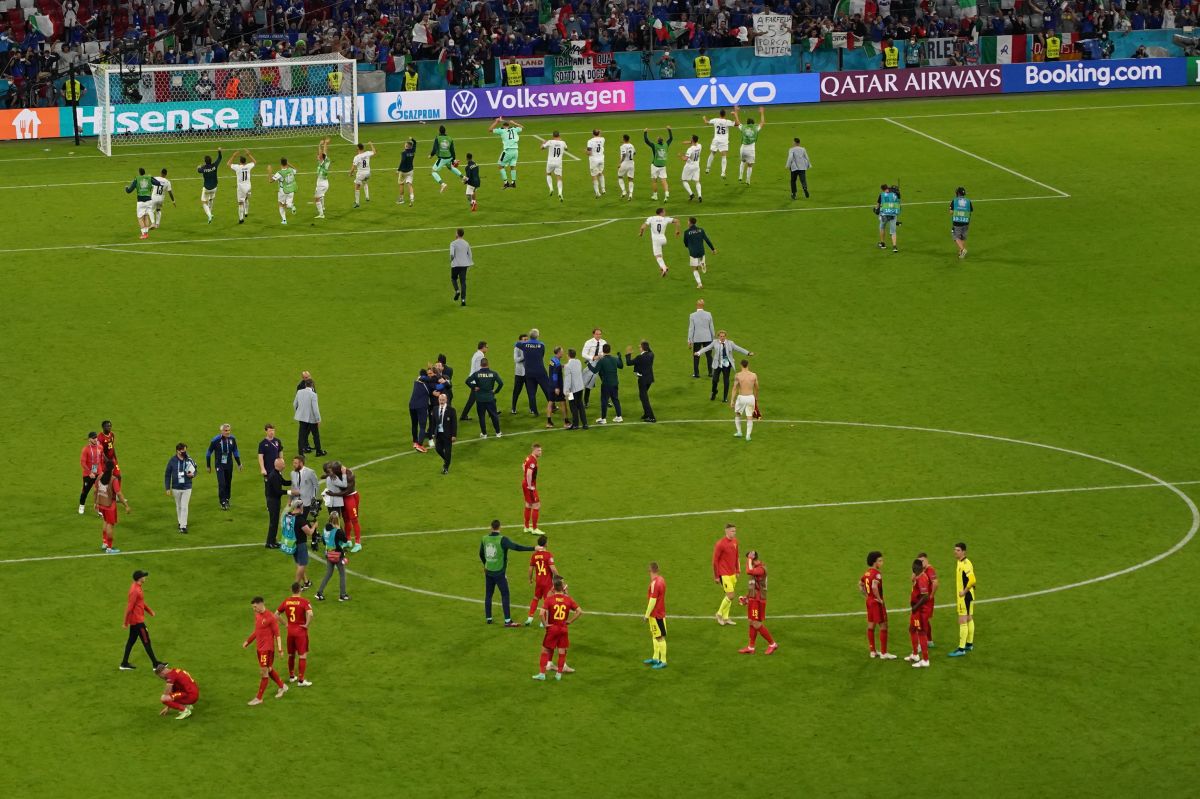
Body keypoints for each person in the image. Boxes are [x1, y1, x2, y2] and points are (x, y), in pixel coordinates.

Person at [480, 519, 535, 625]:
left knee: (488, 595)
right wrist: (533, 548)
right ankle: (507, 620)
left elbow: (481, 554)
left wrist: (486, 564)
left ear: (491, 527)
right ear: (500, 527)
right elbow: (517, 547)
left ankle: (488, 618)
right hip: (499, 572)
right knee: (505, 594)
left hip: (489, 571)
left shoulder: (484, 539)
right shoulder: (503, 540)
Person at [533, 576, 582, 681]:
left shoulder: (549, 599)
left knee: (545, 650)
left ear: (553, 588)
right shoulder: (568, 599)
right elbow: (580, 611)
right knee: (562, 652)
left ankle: (542, 674)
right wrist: (570, 621)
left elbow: (541, 614)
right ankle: (558, 675)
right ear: (563, 588)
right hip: (563, 628)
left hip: (552, 629)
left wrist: (545, 624)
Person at [242, 596, 287, 705]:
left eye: (255, 606)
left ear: (261, 604)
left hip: (267, 649)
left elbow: (278, 635)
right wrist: (248, 641)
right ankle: (282, 686)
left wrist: (280, 649)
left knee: (264, 672)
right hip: (260, 648)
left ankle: (259, 698)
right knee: (268, 669)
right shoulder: (257, 615)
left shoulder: (271, 617)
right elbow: (257, 631)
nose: (254, 609)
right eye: (253, 607)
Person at [121, 570, 165, 670]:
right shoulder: (135, 591)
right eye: (144, 576)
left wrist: (149, 611)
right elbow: (129, 607)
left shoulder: (138, 587)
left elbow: (140, 602)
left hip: (136, 620)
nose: (145, 577)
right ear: (139, 578)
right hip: (138, 622)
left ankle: (124, 663)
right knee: (146, 641)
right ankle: (155, 664)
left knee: (131, 641)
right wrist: (125, 622)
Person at [738, 550, 778, 654]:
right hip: (753, 599)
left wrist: (749, 560)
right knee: (751, 621)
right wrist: (746, 598)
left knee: (756, 623)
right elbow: (752, 586)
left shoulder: (761, 569)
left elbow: (748, 571)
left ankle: (772, 644)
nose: (748, 563)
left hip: (758, 601)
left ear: (754, 560)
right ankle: (751, 647)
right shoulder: (755, 568)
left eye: (750, 561)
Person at [696, 331, 753, 403]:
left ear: (726, 336)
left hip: (726, 365)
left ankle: (725, 398)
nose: (722, 338)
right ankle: (714, 392)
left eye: (723, 336)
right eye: (721, 336)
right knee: (714, 380)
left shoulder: (730, 343)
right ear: (718, 337)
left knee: (726, 381)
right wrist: (698, 352)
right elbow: (707, 348)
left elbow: (739, 348)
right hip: (717, 364)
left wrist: (748, 353)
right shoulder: (715, 342)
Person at [860, 551, 898, 660]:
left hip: (869, 601)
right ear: (874, 562)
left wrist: (866, 595)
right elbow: (874, 586)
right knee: (884, 625)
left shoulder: (867, 573)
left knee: (871, 625)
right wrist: (879, 599)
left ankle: (872, 651)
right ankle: (884, 653)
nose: (882, 562)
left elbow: (860, 584)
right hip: (876, 602)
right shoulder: (877, 574)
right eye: (880, 561)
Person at [276, 582, 314, 686]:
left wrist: (285, 624)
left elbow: (276, 614)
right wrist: (306, 624)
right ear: (300, 590)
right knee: (302, 655)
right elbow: (310, 614)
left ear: (291, 590)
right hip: (300, 631)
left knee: (291, 654)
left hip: (290, 631)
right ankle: (301, 680)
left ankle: (292, 676)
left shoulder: (286, 601)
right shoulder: (304, 601)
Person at [315, 510, 351, 602]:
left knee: (328, 574)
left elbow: (323, 541)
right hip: (337, 555)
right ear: (337, 520)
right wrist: (340, 528)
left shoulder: (325, 529)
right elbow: (345, 540)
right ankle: (342, 595)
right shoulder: (338, 531)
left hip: (328, 554)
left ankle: (319, 593)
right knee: (342, 574)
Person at [516, 329, 553, 416]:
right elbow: (542, 355)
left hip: (529, 372)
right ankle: (552, 406)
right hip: (540, 371)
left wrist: (525, 342)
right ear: (537, 336)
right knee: (547, 389)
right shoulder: (541, 345)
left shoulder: (524, 344)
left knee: (531, 392)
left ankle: (534, 411)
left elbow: (516, 344)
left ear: (530, 336)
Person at [95, 459, 128, 554]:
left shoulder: (100, 476)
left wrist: (95, 503)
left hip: (101, 504)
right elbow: (119, 494)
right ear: (113, 469)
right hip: (110, 506)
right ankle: (109, 548)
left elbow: (96, 490)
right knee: (110, 525)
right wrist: (126, 506)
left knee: (105, 521)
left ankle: (104, 543)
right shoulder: (113, 479)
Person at [204, 424, 242, 510]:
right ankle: (222, 502)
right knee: (222, 483)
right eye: (226, 430)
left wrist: (239, 463)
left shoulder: (232, 439)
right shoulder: (215, 440)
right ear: (221, 431)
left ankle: (227, 499)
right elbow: (208, 453)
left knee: (228, 483)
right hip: (219, 465)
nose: (228, 432)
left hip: (229, 464)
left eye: (229, 430)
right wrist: (208, 466)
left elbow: (235, 452)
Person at [949, 542, 976, 658]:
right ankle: (969, 644)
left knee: (962, 620)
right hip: (969, 596)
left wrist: (964, 592)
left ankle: (961, 649)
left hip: (965, 597)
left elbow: (973, 580)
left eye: (958, 550)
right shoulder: (960, 562)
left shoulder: (965, 564)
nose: (956, 552)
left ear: (964, 551)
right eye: (955, 549)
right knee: (969, 618)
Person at [465, 356, 504, 438]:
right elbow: (501, 383)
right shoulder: (493, 373)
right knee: (494, 415)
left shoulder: (476, 374)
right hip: (490, 398)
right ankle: (498, 432)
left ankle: (484, 434)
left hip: (480, 399)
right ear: (488, 364)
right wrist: (495, 391)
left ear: (480, 365)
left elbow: (467, 381)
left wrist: (474, 387)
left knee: (481, 417)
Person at [163, 442, 197, 534]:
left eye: (185, 450)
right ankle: (180, 522)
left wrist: (192, 474)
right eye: (183, 451)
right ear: (178, 451)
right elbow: (167, 475)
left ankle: (183, 526)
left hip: (187, 487)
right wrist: (167, 488)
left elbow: (195, 470)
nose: (184, 452)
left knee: (184, 506)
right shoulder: (172, 461)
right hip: (176, 488)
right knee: (178, 506)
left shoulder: (189, 459)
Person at [525, 534, 558, 625]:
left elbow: (530, 569)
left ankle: (530, 618)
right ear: (545, 544)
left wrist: (530, 579)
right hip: (547, 582)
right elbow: (553, 569)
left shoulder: (534, 555)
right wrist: (558, 578)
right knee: (547, 601)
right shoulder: (548, 555)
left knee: (535, 598)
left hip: (538, 582)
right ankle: (542, 622)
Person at [711, 523, 740, 626]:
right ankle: (719, 614)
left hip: (733, 573)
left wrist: (738, 571)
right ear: (726, 531)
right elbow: (715, 561)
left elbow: (737, 556)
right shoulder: (720, 544)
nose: (734, 533)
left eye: (735, 531)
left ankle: (726, 617)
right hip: (724, 573)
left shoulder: (735, 541)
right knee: (731, 595)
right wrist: (716, 576)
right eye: (732, 531)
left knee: (729, 597)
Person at [587, 344, 624, 424]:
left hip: (606, 384)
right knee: (615, 399)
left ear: (603, 351)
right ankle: (619, 417)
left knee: (604, 401)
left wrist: (588, 364)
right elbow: (621, 366)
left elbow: (594, 370)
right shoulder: (614, 359)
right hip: (615, 383)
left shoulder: (602, 360)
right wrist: (620, 357)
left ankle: (603, 419)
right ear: (610, 350)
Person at [639, 207, 682, 277]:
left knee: (657, 256)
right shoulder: (665, 219)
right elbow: (677, 221)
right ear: (661, 213)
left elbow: (643, 227)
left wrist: (641, 233)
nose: (665, 213)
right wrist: (677, 230)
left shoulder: (651, 218)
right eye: (664, 212)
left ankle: (664, 268)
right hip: (663, 239)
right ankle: (663, 266)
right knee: (659, 253)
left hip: (656, 240)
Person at [282, 499, 314, 588]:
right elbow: (309, 532)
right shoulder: (300, 519)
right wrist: (314, 526)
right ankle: (296, 586)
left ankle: (306, 582)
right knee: (302, 564)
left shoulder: (288, 516)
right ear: (299, 507)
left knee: (299, 563)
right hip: (300, 544)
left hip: (292, 543)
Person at [906, 559, 932, 668]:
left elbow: (925, 596)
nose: (912, 568)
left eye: (914, 567)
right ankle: (915, 654)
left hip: (920, 611)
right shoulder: (918, 577)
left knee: (921, 632)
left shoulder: (922, 578)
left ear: (919, 568)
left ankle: (925, 660)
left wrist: (916, 607)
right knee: (912, 629)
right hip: (916, 610)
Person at [643, 562, 668, 669]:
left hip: (656, 614)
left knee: (659, 637)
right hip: (660, 612)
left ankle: (663, 661)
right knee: (655, 635)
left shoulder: (654, 584)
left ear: (650, 571)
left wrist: (646, 615)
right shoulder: (662, 580)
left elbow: (652, 601)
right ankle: (655, 658)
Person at [125, 167, 161, 239]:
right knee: (146, 216)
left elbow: (129, 191)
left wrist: (126, 188)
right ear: (144, 172)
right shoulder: (149, 178)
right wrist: (152, 177)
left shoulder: (137, 179)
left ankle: (144, 234)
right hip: (149, 201)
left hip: (141, 202)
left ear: (139, 173)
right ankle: (146, 233)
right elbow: (158, 183)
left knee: (140, 218)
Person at [732, 106, 764, 185]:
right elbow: (762, 122)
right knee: (750, 165)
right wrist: (762, 112)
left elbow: (737, 122)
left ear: (747, 123)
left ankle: (740, 176)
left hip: (743, 148)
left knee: (742, 161)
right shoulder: (756, 128)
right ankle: (748, 180)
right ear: (753, 123)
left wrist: (735, 112)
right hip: (751, 149)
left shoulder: (743, 127)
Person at [625, 340, 656, 422]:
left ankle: (651, 417)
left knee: (644, 398)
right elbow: (650, 350)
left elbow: (628, 363)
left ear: (642, 348)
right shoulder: (651, 355)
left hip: (642, 380)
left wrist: (628, 353)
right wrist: (645, 344)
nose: (639, 347)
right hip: (649, 379)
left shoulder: (640, 357)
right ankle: (646, 414)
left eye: (640, 346)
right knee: (642, 396)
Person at [265, 456, 291, 549]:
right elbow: (277, 491)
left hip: (274, 500)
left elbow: (283, 482)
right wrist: (290, 492)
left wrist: (294, 481)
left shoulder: (276, 473)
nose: (284, 465)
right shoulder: (274, 475)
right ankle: (270, 543)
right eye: (283, 464)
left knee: (274, 522)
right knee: (273, 522)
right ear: (279, 465)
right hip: (273, 501)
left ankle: (272, 541)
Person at [488, 117, 523, 188]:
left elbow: (490, 130)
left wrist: (496, 122)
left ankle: (506, 182)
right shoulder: (514, 129)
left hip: (508, 151)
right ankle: (513, 183)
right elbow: (522, 127)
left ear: (503, 126)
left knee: (500, 166)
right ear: (509, 126)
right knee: (512, 166)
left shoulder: (502, 130)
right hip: (516, 151)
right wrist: (514, 123)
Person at [293, 379, 324, 458]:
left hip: (302, 418)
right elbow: (315, 409)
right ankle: (318, 451)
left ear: (305, 385)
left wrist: (299, 412)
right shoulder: (313, 395)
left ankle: (300, 453)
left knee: (301, 436)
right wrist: (318, 419)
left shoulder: (299, 392)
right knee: (315, 435)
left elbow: (294, 404)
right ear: (312, 385)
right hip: (312, 419)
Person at [683, 217, 716, 290]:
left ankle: (699, 284)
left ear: (690, 223)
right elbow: (707, 240)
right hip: (701, 251)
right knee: (701, 257)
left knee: (695, 269)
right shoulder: (701, 230)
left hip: (693, 253)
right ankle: (702, 263)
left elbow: (685, 243)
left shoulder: (686, 232)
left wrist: (688, 245)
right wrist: (713, 249)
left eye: (688, 221)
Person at [730, 359, 759, 442]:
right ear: (748, 365)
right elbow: (757, 387)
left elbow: (735, 388)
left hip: (741, 398)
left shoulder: (738, 375)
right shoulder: (753, 375)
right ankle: (748, 436)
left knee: (738, 414)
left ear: (741, 365)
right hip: (750, 397)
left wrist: (732, 400)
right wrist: (756, 397)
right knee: (750, 417)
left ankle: (739, 432)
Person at [430, 125, 464, 192]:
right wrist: (453, 159)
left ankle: (442, 184)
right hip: (449, 157)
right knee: (450, 167)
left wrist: (431, 155)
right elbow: (452, 150)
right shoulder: (449, 138)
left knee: (433, 171)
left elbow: (434, 149)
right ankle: (463, 177)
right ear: (445, 131)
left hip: (442, 158)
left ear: (439, 131)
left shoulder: (437, 138)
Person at [688, 299, 716, 378]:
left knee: (696, 356)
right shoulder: (708, 314)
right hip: (707, 338)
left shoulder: (692, 315)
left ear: (696, 305)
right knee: (709, 356)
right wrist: (713, 337)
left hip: (697, 338)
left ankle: (696, 374)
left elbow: (691, 329)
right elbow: (711, 327)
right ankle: (710, 372)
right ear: (703, 305)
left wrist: (690, 340)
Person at [643, 127, 673, 202]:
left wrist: (645, 132)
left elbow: (646, 141)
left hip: (655, 165)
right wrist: (669, 130)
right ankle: (666, 193)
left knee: (654, 181)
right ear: (662, 141)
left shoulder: (654, 146)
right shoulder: (666, 145)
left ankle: (655, 196)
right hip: (663, 166)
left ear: (657, 141)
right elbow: (671, 138)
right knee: (664, 180)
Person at [460, 342, 488, 422]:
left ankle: (464, 415)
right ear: (483, 347)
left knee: (474, 398)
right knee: (484, 394)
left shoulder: (477, 354)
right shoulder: (480, 356)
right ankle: (492, 412)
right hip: (475, 380)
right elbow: (479, 370)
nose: (487, 349)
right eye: (487, 347)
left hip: (473, 379)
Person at [287, 455, 319, 521]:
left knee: (303, 521)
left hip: (306, 502)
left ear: (301, 463)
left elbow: (316, 486)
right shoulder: (292, 473)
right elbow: (293, 487)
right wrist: (290, 499)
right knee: (296, 521)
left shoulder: (310, 472)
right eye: (293, 463)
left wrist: (313, 497)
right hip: (296, 502)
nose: (293, 465)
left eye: (295, 463)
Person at [702, 109, 732, 178]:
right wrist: (736, 113)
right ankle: (723, 172)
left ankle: (707, 168)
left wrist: (704, 118)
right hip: (724, 141)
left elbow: (706, 122)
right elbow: (736, 124)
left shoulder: (715, 120)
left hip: (716, 140)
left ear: (719, 114)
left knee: (712, 153)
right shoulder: (727, 121)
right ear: (725, 114)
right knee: (724, 156)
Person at [918, 552, 940, 647]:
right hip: (921, 599)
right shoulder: (921, 570)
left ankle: (921, 644)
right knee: (925, 620)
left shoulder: (930, 570)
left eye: (922, 561)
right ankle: (929, 641)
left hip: (927, 600)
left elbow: (935, 583)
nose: (921, 563)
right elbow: (912, 579)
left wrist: (931, 595)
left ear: (927, 560)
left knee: (922, 621)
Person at [195, 147, 222, 223]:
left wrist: (199, 167)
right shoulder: (214, 165)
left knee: (203, 201)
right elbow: (220, 158)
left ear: (205, 162)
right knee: (211, 199)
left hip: (207, 188)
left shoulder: (203, 168)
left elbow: (198, 170)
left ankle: (209, 215)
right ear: (211, 161)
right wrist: (219, 151)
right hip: (214, 187)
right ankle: (210, 213)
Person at [581, 328, 606, 408]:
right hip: (592, 365)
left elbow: (606, 351)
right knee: (588, 384)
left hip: (601, 365)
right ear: (593, 334)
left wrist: (601, 355)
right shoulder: (589, 342)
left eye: (600, 334)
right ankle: (586, 402)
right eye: (597, 334)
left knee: (606, 383)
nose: (598, 336)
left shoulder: (603, 342)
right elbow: (583, 354)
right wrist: (592, 357)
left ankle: (607, 400)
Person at [432, 393, 458, 474]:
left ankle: (446, 467)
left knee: (448, 451)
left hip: (448, 435)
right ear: (438, 400)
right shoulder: (435, 409)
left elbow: (454, 423)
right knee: (438, 449)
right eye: (440, 400)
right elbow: (433, 422)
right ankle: (447, 459)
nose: (441, 401)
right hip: (439, 434)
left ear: (446, 400)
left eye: (443, 400)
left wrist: (454, 435)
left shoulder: (451, 410)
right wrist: (432, 433)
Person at [563, 349, 587, 431]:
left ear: (568, 355)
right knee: (580, 405)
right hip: (580, 387)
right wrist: (565, 366)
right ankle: (585, 424)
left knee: (573, 406)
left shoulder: (567, 366)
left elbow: (567, 379)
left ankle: (575, 425)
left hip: (571, 390)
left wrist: (566, 390)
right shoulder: (578, 362)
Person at [79, 431, 103, 514]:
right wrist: (90, 472)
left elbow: (101, 459)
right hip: (88, 474)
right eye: (93, 438)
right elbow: (82, 462)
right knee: (85, 491)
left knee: (99, 491)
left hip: (98, 473)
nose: (95, 439)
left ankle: (98, 508)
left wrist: (102, 471)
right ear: (89, 439)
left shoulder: (100, 447)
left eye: (96, 437)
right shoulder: (86, 449)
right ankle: (81, 506)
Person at [522, 444, 544, 534]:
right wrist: (530, 485)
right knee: (537, 505)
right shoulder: (532, 461)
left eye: (541, 450)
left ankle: (526, 527)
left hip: (525, 483)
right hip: (529, 486)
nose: (540, 452)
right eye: (538, 450)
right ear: (534, 451)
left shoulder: (528, 458)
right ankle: (534, 529)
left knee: (528, 505)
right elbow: (528, 473)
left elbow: (523, 466)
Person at [546, 346, 570, 428]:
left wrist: (561, 366)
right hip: (557, 386)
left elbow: (554, 370)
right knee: (563, 403)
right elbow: (555, 375)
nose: (563, 353)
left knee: (550, 402)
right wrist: (557, 387)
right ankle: (566, 422)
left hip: (550, 385)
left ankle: (549, 422)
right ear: (559, 352)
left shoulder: (552, 360)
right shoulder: (557, 363)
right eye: (562, 351)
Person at [229, 148, 255, 223]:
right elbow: (254, 162)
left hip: (241, 187)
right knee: (246, 199)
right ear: (245, 161)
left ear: (240, 162)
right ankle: (246, 212)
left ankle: (241, 219)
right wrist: (249, 154)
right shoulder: (248, 166)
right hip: (248, 186)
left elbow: (228, 164)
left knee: (240, 203)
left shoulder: (237, 167)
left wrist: (233, 156)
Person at [270, 157, 298, 224]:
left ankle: (284, 220)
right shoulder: (291, 170)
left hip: (283, 191)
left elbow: (270, 181)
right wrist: (289, 164)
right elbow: (296, 169)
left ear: (281, 164)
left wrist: (269, 171)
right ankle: (291, 206)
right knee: (287, 204)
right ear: (287, 163)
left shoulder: (279, 173)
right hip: (291, 190)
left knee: (281, 204)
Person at [542, 131, 568, 202]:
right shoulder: (563, 142)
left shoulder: (550, 142)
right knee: (559, 178)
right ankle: (560, 193)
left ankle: (551, 188)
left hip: (550, 162)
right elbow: (566, 149)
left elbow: (542, 148)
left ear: (553, 136)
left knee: (548, 174)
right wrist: (561, 142)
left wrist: (543, 143)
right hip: (558, 162)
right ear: (559, 135)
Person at [875, 183, 901, 252]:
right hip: (893, 214)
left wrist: (876, 210)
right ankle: (895, 247)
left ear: (882, 189)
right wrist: (898, 192)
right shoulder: (895, 195)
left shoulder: (882, 194)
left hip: (884, 214)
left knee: (882, 227)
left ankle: (883, 244)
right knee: (893, 231)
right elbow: (898, 205)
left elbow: (877, 206)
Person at [450, 228, 473, 306]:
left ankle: (457, 291)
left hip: (456, 265)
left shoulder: (453, 243)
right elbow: (470, 254)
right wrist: (469, 263)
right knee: (463, 282)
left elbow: (452, 254)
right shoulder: (466, 243)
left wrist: (451, 261)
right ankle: (463, 300)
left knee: (453, 279)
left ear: (457, 234)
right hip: (464, 265)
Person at [950, 186, 973, 260]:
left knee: (955, 236)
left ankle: (963, 249)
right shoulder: (968, 201)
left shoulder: (954, 200)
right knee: (962, 237)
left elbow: (951, 212)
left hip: (957, 221)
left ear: (958, 193)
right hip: (966, 222)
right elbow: (970, 211)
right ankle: (961, 252)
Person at [350, 141, 375, 207]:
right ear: (363, 148)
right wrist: (371, 144)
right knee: (365, 182)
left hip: (361, 174)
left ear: (358, 148)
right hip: (368, 173)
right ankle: (367, 197)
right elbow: (374, 152)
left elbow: (353, 168)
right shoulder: (367, 153)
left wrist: (350, 174)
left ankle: (357, 203)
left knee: (357, 187)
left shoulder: (357, 157)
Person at [680, 135, 703, 203]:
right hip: (696, 166)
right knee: (697, 181)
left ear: (692, 140)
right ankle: (700, 195)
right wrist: (688, 142)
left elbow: (685, 159)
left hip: (689, 166)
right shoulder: (699, 146)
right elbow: (693, 143)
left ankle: (691, 194)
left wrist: (680, 156)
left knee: (684, 180)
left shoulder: (690, 149)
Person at [395, 137, 418, 205]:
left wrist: (398, 170)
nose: (404, 146)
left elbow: (402, 161)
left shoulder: (403, 153)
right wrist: (412, 139)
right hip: (410, 171)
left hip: (403, 172)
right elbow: (415, 143)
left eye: (405, 145)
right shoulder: (413, 151)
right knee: (409, 184)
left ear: (407, 146)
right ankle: (412, 197)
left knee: (401, 184)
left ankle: (401, 199)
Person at [510, 333, 528, 415]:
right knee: (516, 391)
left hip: (528, 372)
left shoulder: (529, 348)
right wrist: (525, 356)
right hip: (519, 373)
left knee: (530, 391)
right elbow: (516, 360)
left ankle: (532, 408)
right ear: (520, 340)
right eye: (524, 340)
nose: (526, 341)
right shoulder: (517, 348)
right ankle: (513, 408)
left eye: (527, 339)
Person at [313, 138, 331, 219]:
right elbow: (325, 152)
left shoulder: (322, 162)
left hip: (322, 183)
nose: (317, 157)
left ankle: (321, 214)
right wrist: (326, 144)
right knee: (320, 196)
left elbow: (321, 153)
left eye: (318, 156)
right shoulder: (326, 161)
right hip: (325, 182)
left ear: (321, 158)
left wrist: (319, 145)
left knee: (316, 199)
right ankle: (323, 207)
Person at [586, 129, 606, 198]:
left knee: (594, 176)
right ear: (599, 133)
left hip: (594, 160)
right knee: (600, 173)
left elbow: (589, 153)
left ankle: (597, 192)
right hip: (601, 159)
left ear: (592, 134)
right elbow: (600, 135)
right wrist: (599, 131)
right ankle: (603, 189)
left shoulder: (590, 141)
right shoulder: (603, 139)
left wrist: (585, 151)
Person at [617, 134, 636, 200]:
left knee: (620, 177)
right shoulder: (632, 145)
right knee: (630, 179)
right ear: (629, 139)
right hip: (631, 164)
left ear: (623, 139)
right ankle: (630, 194)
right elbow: (634, 153)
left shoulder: (622, 146)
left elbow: (624, 154)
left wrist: (620, 163)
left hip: (624, 163)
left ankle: (624, 191)